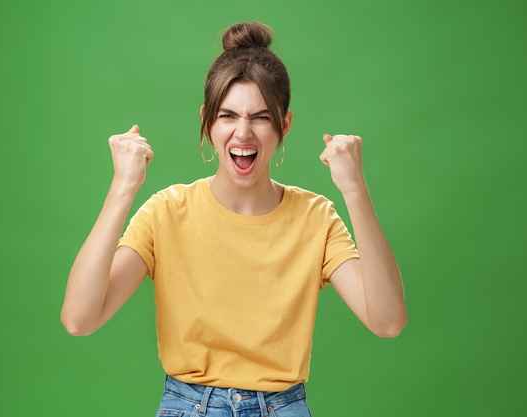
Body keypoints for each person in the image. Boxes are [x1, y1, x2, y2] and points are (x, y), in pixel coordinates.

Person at [61, 21, 407, 417]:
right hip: (187, 406)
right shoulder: (167, 211)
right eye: (228, 115)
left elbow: (388, 321)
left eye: (260, 117)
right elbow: (79, 318)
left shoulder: (316, 218)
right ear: (207, 121)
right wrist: (123, 187)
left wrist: (355, 191)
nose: (243, 133)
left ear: (285, 125)